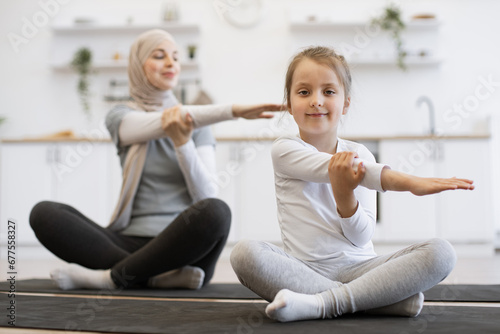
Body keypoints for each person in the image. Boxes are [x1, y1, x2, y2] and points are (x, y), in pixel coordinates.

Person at [230, 46, 474, 322]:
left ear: (346, 103)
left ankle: (320, 304)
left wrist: (345, 197)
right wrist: (410, 183)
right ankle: (377, 300)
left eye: (329, 92)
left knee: (441, 252)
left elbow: (361, 236)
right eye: (304, 92)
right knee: (244, 254)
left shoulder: (362, 154)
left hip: (363, 269)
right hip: (305, 271)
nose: (316, 101)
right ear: (289, 103)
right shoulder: (284, 150)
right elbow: (346, 171)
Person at [29, 29, 282, 291]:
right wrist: (233, 111)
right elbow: (161, 122)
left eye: (175, 57)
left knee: (217, 211)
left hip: (183, 247)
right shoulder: (121, 116)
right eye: (159, 56)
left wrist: (183, 143)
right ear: (139, 65)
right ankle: (152, 276)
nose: (171, 63)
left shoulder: (199, 127)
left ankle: (111, 278)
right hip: (127, 240)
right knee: (44, 214)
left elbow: (205, 193)